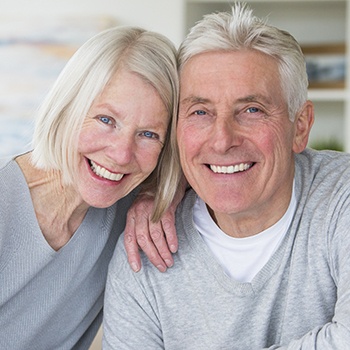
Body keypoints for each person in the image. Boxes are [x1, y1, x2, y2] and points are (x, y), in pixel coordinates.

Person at [103, 2, 350, 349]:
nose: (222, 140)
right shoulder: (145, 248)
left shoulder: (341, 198)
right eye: (200, 111)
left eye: (251, 110)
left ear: (300, 126)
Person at [0, 25, 181, 349]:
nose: (122, 154)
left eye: (149, 134)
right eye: (106, 120)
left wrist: (159, 194)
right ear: (68, 107)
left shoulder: (124, 207)